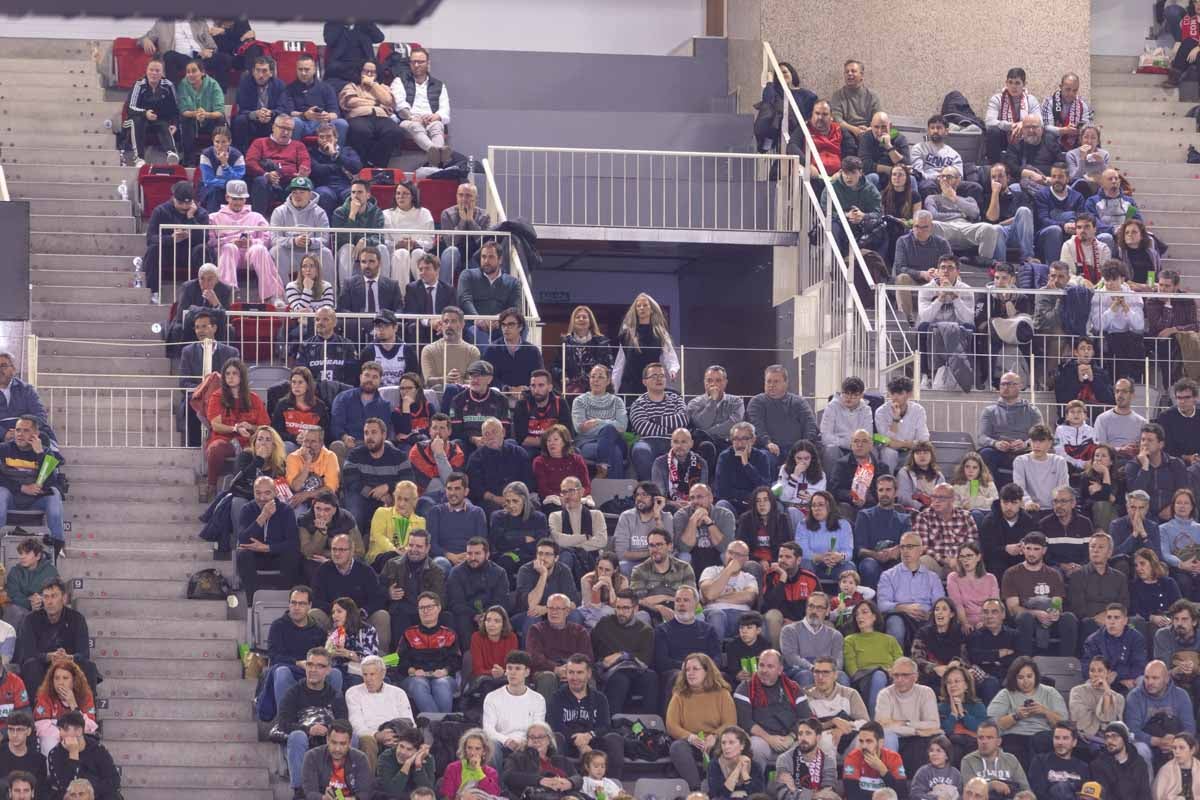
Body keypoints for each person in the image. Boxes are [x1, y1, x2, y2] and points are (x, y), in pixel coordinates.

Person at [275, 647, 347, 799]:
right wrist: (308, 730)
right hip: (303, 741)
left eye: (320, 666)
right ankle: (300, 792)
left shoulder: (335, 695)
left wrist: (328, 730)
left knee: (351, 737)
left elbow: (344, 723)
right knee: (297, 736)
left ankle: (343, 787)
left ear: (328, 670)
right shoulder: (293, 693)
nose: (313, 670)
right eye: (310, 665)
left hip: (328, 741)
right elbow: (283, 723)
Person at [545, 654, 624, 780]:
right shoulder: (557, 697)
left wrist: (589, 736)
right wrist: (578, 742)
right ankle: (562, 784)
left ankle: (611, 785)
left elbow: (604, 725)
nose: (575, 677)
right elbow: (554, 725)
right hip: (567, 742)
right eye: (571, 672)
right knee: (556, 738)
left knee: (614, 738)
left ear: (588, 674)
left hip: (593, 742)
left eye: (579, 673)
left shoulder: (600, 698)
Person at [665, 653, 737, 790]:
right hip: (691, 742)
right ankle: (696, 791)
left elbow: (730, 722)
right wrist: (690, 737)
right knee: (677, 747)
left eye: (695, 669)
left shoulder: (722, 694)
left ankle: (717, 790)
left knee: (726, 748)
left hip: (715, 742)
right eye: (687, 670)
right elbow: (671, 725)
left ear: (707, 671)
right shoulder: (679, 695)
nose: (690, 673)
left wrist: (715, 736)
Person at [1002, 532, 1079, 656]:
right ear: (1023, 549)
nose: (1031, 553)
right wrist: (1036, 614)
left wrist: (1055, 613)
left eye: (1036, 549)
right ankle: (1025, 661)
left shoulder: (1054, 574)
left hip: (1049, 617)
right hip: (1026, 619)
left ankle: (1066, 662)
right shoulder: (1011, 573)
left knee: (1069, 618)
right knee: (1024, 617)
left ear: (1044, 550)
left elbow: (1057, 603)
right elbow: (1013, 609)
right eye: (1028, 548)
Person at [0, 415, 65, 551]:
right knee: (1, 493)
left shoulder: (46, 453)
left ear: (36, 434)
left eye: (26, 430)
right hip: (11, 496)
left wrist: (40, 455)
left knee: (54, 495)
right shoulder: (3, 449)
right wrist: (22, 488)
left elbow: (50, 483)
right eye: (18, 430)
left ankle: (56, 550)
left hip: (36, 499)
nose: (20, 434)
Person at [877, 532, 948, 652]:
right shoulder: (888, 575)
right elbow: (882, 604)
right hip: (900, 615)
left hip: (925, 617)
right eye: (902, 547)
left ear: (921, 549)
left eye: (910, 547)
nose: (905, 551)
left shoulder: (932, 577)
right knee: (895, 624)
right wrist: (903, 608)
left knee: (937, 625)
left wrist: (931, 614)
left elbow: (940, 604)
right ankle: (897, 663)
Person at [142, 179, 210, 303]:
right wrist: (171, 238)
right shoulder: (160, 211)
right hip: (168, 252)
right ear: (173, 198)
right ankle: (154, 292)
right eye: (181, 203)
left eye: (188, 203)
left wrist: (191, 218)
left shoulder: (200, 213)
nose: (185, 207)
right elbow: (151, 238)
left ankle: (204, 294)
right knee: (153, 249)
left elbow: (204, 238)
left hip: (191, 253)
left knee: (203, 250)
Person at [590, 589, 657, 713]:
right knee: (620, 679)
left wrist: (622, 655)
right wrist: (599, 664)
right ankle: (613, 724)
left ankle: (650, 724)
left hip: (635, 669)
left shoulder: (645, 630)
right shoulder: (605, 624)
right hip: (610, 671)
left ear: (635, 609)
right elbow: (591, 648)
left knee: (651, 677)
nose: (621, 612)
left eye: (626, 608)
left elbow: (646, 660)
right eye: (618, 608)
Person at [344, 654, 412, 774]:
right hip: (370, 737)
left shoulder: (398, 693)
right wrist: (377, 735)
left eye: (372, 674)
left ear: (383, 674)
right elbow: (356, 724)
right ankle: (367, 786)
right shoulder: (353, 693)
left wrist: (396, 737)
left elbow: (409, 721)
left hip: (396, 735)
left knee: (414, 743)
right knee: (367, 740)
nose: (368, 679)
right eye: (365, 674)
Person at [1125, 659, 1197, 772]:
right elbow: (1132, 730)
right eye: (1147, 677)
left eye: (1155, 678)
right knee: (1140, 750)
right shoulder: (1134, 697)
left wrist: (1175, 743)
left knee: (1190, 747)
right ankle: (1148, 788)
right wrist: (1158, 741)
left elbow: (1189, 728)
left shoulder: (1181, 695)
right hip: (1147, 742)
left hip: (1175, 740)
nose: (1149, 682)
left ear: (1166, 679)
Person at [925, 167, 1003, 265]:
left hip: (966, 228)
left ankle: (983, 261)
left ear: (958, 180)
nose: (944, 180)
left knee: (989, 228)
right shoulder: (932, 198)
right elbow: (934, 216)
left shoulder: (968, 200)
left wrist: (954, 198)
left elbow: (974, 214)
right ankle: (936, 261)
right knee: (931, 225)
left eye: (948, 177)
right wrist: (960, 214)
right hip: (945, 227)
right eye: (942, 177)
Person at [653, 584, 721, 691]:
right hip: (676, 672)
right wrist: (690, 669)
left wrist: (703, 669)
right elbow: (662, 661)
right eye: (678, 600)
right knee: (678, 676)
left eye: (686, 600)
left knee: (723, 677)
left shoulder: (708, 630)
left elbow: (717, 657)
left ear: (696, 604)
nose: (681, 604)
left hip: (704, 670)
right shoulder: (662, 630)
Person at [480, 650, 546, 760]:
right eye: (509, 668)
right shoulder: (492, 697)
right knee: (491, 745)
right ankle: (495, 777)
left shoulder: (538, 699)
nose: (512, 672)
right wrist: (507, 741)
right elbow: (488, 730)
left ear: (527, 672)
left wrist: (524, 742)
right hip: (501, 744)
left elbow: (537, 729)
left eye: (518, 668)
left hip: (528, 744)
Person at [978, 371, 1044, 481]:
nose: (1005, 387)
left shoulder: (1032, 411)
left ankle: (1034, 496)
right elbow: (981, 437)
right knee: (981, 457)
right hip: (997, 452)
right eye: (1002, 384)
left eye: (1009, 384)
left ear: (1019, 386)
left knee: (1038, 456)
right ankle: (976, 494)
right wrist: (995, 443)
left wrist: (1026, 443)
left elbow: (1040, 436)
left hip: (1024, 452)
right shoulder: (989, 411)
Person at [390, 46, 451, 166]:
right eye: (413, 62)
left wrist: (436, 116)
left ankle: (435, 163)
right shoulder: (400, 81)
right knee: (415, 126)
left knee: (438, 126)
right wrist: (412, 117)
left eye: (421, 62)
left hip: (430, 120)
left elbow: (445, 109)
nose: (417, 65)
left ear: (428, 63)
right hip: (408, 120)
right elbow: (399, 104)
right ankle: (435, 152)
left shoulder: (439, 85)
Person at [338, 61, 403, 168]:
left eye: (372, 72)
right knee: (362, 131)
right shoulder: (353, 86)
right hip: (359, 116)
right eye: (366, 71)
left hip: (381, 117)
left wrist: (373, 85)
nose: (369, 75)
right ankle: (362, 165)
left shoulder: (382, 87)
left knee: (395, 131)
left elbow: (388, 101)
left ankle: (374, 163)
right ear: (360, 72)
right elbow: (350, 102)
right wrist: (376, 103)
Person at [270, 178, 335, 287]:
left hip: (311, 252)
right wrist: (292, 241)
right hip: (288, 252)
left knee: (326, 253)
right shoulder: (279, 211)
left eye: (302, 192)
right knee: (275, 251)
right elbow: (274, 239)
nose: (297, 195)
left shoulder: (319, 212)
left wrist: (310, 242)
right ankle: (282, 297)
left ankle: (328, 297)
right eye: (294, 192)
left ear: (310, 194)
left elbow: (324, 239)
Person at [444, 536, 509, 644]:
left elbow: (501, 601)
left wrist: (487, 617)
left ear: (487, 555)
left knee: (499, 618)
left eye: (477, 553)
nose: (472, 557)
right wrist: (475, 616)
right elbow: (455, 603)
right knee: (460, 619)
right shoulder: (456, 573)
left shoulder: (499, 573)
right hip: (466, 615)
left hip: (492, 614)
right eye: (469, 553)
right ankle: (468, 656)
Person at [844, 600, 903, 713]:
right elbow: (852, 671)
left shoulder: (889, 640)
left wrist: (892, 672)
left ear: (874, 617)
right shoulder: (850, 640)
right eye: (857, 614)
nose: (860, 616)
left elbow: (900, 662)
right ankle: (874, 720)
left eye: (864, 612)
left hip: (891, 678)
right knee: (879, 675)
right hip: (864, 680)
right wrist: (879, 670)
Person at [44, 711, 119, 800]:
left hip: (97, 795)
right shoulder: (55, 753)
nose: (61, 734)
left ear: (79, 731)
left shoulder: (97, 749)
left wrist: (88, 792)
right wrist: (73, 755)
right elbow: (64, 786)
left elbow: (114, 780)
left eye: (65, 729)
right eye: (60, 729)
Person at [332, 191, 393, 297]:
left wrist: (365, 241)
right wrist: (352, 215)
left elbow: (380, 237)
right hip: (347, 253)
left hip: (369, 250)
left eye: (360, 192)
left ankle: (384, 291)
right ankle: (345, 293)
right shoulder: (340, 212)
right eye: (353, 192)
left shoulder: (376, 212)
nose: (356, 195)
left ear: (368, 195)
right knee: (347, 247)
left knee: (382, 248)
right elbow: (341, 240)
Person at [1127, 423, 1191, 522]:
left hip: (1173, 515)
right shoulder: (1133, 465)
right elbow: (1135, 496)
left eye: (1150, 440)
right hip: (1144, 517)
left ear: (1161, 444)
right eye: (1143, 440)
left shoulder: (1176, 464)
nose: (1145, 443)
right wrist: (1144, 467)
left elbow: (1183, 492)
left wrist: (1172, 508)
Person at [910, 484, 978, 577]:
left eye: (942, 498)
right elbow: (922, 547)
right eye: (934, 497)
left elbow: (973, 544)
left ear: (952, 499)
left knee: (974, 562)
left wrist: (959, 560)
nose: (937, 501)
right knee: (922, 562)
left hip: (961, 562)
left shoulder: (965, 516)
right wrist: (945, 560)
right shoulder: (923, 517)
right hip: (937, 563)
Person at [32, 659, 96, 754]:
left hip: (78, 738)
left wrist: (73, 704)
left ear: (74, 681)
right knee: (48, 741)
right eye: (56, 678)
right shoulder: (45, 696)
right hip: (55, 739)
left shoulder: (85, 696)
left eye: (65, 678)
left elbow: (89, 728)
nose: (60, 682)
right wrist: (65, 736)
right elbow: (41, 728)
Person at [126, 57, 180, 167]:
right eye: (151, 70)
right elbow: (130, 108)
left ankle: (171, 153)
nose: (154, 73)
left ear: (162, 73)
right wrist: (145, 113)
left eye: (157, 71)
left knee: (164, 123)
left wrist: (174, 124)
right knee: (137, 121)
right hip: (138, 118)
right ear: (146, 71)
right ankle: (139, 158)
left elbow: (175, 109)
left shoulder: (168, 85)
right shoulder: (139, 84)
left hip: (158, 119)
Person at [299, 719, 372, 800]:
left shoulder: (360, 758)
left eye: (343, 744)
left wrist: (351, 799)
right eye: (334, 742)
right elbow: (309, 792)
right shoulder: (312, 756)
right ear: (327, 739)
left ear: (350, 742)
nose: (337, 749)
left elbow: (365, 793)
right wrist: (323, 798)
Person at [500, 720, 576, 798]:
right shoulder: (516, 757)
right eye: (532, 737)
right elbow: (508, 776)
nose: (536, 740)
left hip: (568, 795)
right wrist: (540, 780)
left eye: (541, 737)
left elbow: (577, 777)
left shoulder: (560, 760)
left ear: (549, 740)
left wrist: (570, 783)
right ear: (527, 741)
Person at [384, 183, 436, 291]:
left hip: (418, 250)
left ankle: (425, 293)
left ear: (413, 196)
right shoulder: (386, 214)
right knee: (402, 253)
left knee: (419, 254)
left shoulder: (424, 213)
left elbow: (430, 242)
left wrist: (415, 244)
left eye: (405, 193)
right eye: (398, 193)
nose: (400, 196)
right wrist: (397, 244)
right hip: (394, 252)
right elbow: (384, 241)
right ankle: (401, 296)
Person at [794, 490, 855, 583]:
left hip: (835, 565)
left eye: (820, 505)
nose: (816, 508)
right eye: (813, 505)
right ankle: (809, 597)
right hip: (813, 565)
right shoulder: (803, 525)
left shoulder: (844, 525)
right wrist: (821, 557)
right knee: (804, 563)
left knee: (849, 567)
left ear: (830, 507)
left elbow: (848, 552)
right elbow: (802, 552)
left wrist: (840, 556)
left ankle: (844, 598)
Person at [285, 52, 347, 141]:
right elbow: (289, 113)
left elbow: (335, 113)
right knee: (295, 122)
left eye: (307, 69)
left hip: (323, 124)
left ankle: (335, 153)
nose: (303, 73)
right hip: (302, 123)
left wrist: (328, 116)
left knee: (342, 123)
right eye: (300, 69)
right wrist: (305, 115)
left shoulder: (327, 88)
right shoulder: (289, 89)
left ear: (314, 70)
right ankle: (295, 152)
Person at [1034, 161, 1087, 266]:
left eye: (1060, 177)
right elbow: (1043, 220)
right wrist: (1063, 225)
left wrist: (1075, 226)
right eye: (1054, 176)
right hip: (1045, 235)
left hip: (1071, 232)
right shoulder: (1042, 195)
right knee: (1055, 229)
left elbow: (1083, 219)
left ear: (1067, 179)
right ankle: (1054, 268)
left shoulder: (1077, 197)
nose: (1056, 180)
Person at [437, 183, 491, 286]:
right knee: (451, 251)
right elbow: (450, 242)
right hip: (455, 255)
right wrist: (462, 221)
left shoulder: (484, 216)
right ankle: (442, 290)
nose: (464, 199)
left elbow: (483, 242)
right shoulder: (447, 214)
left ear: (476, 198)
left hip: (474, 255)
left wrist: (470, 221)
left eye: (468, 195)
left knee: (479, 259)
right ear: (456, 196)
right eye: (460, 195)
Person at [981, 162, 1036, 262]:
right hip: (999, 235)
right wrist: (995, 194)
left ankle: (1028, 258)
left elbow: (1027, 218)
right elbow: (992, 219)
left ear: (1008, 178)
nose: (997, 180)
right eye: (993, 177)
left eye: (1001, 176)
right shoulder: (986, 198)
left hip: (1018, 233)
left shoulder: (1020, 195)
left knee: (1023, 211)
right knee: (996, 229)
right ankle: (1001, 265)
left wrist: (1003, 223)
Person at [961, 718, 1031, 795]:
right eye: (981, 738)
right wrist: (991, 785)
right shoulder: (968, 760)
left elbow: (1025, 790)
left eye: (989, 737)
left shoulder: (1011, 759)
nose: (984, 742)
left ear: (998, 741)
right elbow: (969, 793)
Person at [715, 422, 772, 517]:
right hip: (733, 504)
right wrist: (748, 496)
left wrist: (746, 465)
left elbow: (765, 488)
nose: (740, 443)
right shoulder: (725, 457)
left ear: (753, 440)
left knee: (775, 506)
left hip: (756, 504)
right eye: (736, 439)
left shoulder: (761, 457)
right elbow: (721, 491)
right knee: (721, 505)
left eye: (745, 439)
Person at [985, 67, 1042, 162]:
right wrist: (1011, 126)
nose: (1013, 86)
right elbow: (989, 122)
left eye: (1017, 83)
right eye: (1010, 82)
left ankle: (1033, 164)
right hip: (1004, 138)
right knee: (992, 131)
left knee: (1037, 131)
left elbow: (1040, 122)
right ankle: (995, 166)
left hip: (1024, 138)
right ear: (1006, 83)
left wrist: (1024, 125)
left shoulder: (1030, 99)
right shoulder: (997, 99)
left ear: (1024, 84)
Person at [175, 59, 224, 167]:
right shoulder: (183, 85)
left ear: (202, 72)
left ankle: (218, 158)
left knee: (220, 120)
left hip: (210, 120)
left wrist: (206, 114)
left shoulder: (213, 85)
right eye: (188, 72)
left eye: (194, 71)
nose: (190, 74)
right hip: (192, 120)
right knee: (185, 120)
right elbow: (183, 110)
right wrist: (196, 114)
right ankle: (189, 160)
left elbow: (219, 111)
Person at [842, 721, 908, 800]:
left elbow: (902, 795)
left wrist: (883, 771)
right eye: (861, 741)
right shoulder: (852, 758)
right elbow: (852, 795)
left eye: (869, 741)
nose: (863, 746)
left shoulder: (893, 758)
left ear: (881, 743)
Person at [1070, 655, 1126, 745]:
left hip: (1111, 739)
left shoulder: (1119, 698)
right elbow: (1080, 719)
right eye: (1092, 670)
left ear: (1108, 673)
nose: (1095, 674)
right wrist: (1101, 718)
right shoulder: (1077, 691)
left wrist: (1107, 693)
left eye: (1100, 671)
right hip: (1085, 737)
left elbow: (1113, 724)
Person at [3, 537, 57, 628]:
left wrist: (40, 600)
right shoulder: (14, 571)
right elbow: (13, 594)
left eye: (27, 553)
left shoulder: (50, 571)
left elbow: (55, 591)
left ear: (38, 556)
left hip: (44, 606)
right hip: (20, 607)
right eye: (21, 553)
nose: (22, 557)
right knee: (14, 611)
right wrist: (30, 603)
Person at [947, 541, 1000, 633]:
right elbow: (957, 605)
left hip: (988, 620)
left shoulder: (990, 578)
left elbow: (995, 604)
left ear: (978, 557)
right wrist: (965, 623)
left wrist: (985, 622)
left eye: (969, 556)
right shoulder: (953, 577)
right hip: (965, 622)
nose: (965, 560)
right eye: (962, 557)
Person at [1092, 721, 1153, 800]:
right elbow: (1104, 796)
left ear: (1124, 739)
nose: (1110, 741)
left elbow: (1145, 794)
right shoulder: (1098, 765)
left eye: (1114, 736)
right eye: (1107, 737)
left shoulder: (1139, 763)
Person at [1085, 169, 1142, 252]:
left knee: (1149, 238)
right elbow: (1093, 222)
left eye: (1116, 178)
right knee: (1106, 237)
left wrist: (1126, 230)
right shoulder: (1092, 201)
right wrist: (1112, 230)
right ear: (1102, 183)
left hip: (1125, 233)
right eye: (1110, 179)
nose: (1114, 181)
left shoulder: (1129, 201)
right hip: (1103, 233)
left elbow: (1137, 220)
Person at [438, 728, 502, 800]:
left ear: (484, 751)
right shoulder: (452, 768)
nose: (472, 753)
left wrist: (478, 771)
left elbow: (494, 794)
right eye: (469, 748)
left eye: (477, 749)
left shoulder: (491, 772)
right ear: (465, 749)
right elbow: (447, 797)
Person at [652, 428, 708, 507]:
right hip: (668, 508)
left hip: (694, 506)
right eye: (676, 442)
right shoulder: (659, 463)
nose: (679, 446)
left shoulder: (701, 463)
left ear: (691, 444)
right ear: (671, 443)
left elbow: (703, 494)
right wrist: (674, 504)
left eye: (683, 442)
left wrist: (690, 504)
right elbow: (658, 497)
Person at [1131, 548, 1181, 631]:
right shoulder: (1134, 586)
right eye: (1136, 565)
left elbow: (1179, 605)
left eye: (1142, 564)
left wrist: (1172, 619)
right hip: (1147, 624)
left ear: (1152, 564)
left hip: (1170, 621)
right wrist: (1151, 617)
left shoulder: (1168, 582)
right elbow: (1134, 609)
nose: (1138, 568)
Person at [806, 100, 850, 175]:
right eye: (817, 113)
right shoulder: (804, 129)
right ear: (812, 115)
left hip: (838, 177)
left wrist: (843, 171)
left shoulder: (840, 130)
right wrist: (807, 164)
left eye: (825, 114)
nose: (820, 117)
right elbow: (792, 147)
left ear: (831, 117)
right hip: (814, 176)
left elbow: (850, 151)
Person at [951, 454, 999, 524]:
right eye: (967, 467)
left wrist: (976, 502)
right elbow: (953, 507)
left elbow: (995, 503)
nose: (970, 471)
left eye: (975, 467)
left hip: (987, 515)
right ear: (963, 468)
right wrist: (963, 507)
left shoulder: (989, 483)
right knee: (975, 514)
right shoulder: (956, 486)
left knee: (977, 514)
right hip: (964, 518)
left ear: (980, 469)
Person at [1153, 732, 1200, 800]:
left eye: (1181, 748)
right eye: (1174, 748)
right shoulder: (1166, 770)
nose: (1177, 751)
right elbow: (1158, 795)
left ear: (1192, 750)